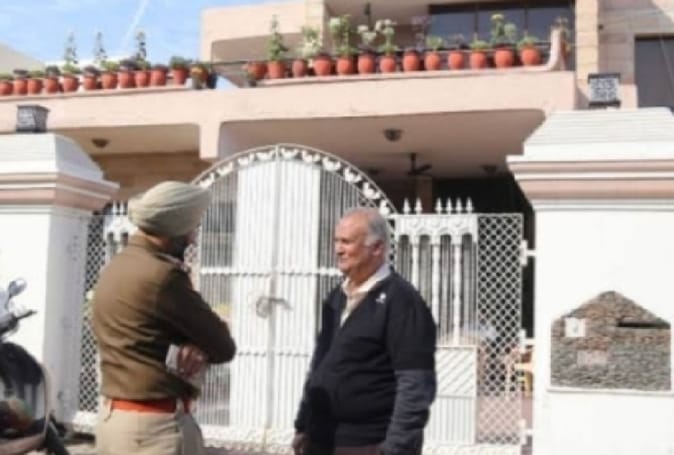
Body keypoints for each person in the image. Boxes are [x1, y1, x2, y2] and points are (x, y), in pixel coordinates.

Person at [92, 181, 236, 455]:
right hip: (154, 430)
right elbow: (223, 345)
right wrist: (203, 344)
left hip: (115, 421)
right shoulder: (162, 276)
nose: (193, 239)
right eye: (192, 228)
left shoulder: (116, 266)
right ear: (175, 229)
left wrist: (194, 345)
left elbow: (144, 336)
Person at [292, 207, 437, 455]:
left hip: (368, 442)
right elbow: (319, 366)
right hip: (322, 440)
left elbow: (415, 383)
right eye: (336, 241)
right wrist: (303, 424)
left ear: (377, 248)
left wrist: (395, 448)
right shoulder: (336, 298)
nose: (338, 250)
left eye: (347, 242)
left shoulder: (401, 301)